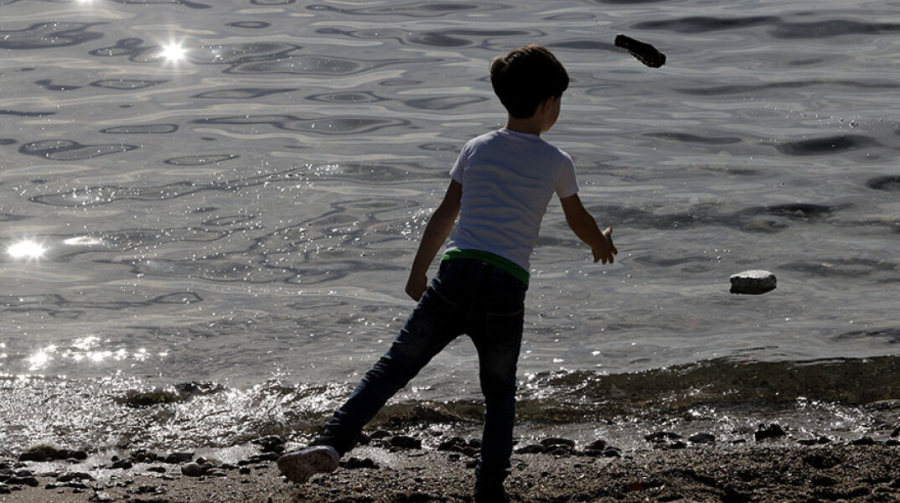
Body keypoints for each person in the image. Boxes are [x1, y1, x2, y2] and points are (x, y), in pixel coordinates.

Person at [277, 44, 617, 503]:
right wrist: (600, 243)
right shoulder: (557, 161)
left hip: (454, 277)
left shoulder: (476, 148)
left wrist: (418, 272)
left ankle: (333, 442)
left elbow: (444, 215)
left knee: (392, 368)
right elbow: (578, 219)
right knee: (499, 393)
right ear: (549, 104)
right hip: (504, 287)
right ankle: (488, 488)